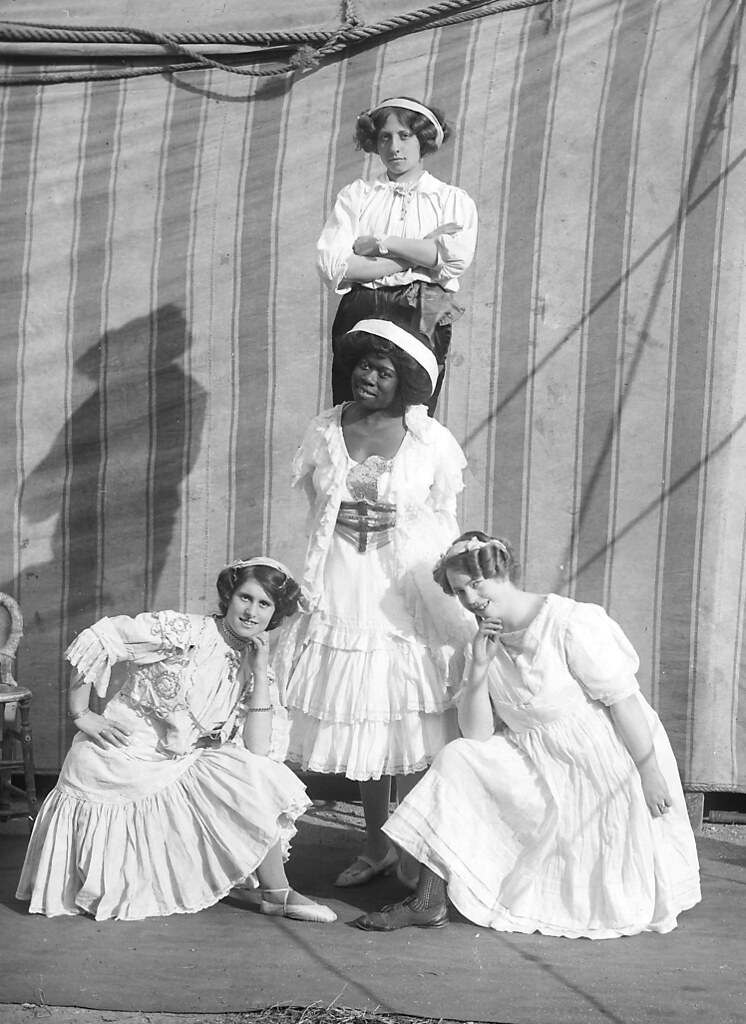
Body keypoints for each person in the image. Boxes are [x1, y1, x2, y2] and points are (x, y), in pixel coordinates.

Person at [355, 531, 702, 937]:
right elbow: (478, 735)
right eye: (459, 592)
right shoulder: (481, 643)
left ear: (501, 572)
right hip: (532, 759)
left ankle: (437, 894)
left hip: (595, 766)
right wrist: (480, 670)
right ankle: (427, 901)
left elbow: (624, 702)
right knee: (458, 757)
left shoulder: (570, 623)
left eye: (475, 584)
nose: (469, 599)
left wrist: (650, 771)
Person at [16, 557, 336, 924]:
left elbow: (259, 748)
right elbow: (100, 638)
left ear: (275, 613)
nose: (251, 612)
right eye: (245, 598)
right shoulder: (182, 631)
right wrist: (81, 713)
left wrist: (260, 671)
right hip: (121, 753)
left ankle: (276, 894)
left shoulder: (254, 659)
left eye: (264, 604)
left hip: (179, 760)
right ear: (229, 595)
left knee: (256, 772)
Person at [274, 318, 474, 890]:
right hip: (341, 579)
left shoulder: (429, 440)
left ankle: (414, 853)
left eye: (384, 371)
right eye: (364, 364)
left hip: (402, 585)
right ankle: (376, 842)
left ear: (404, 382)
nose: (369, 377)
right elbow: (317, 505)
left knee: (406, 717)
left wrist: (408, 539)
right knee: (360, 712)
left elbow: (443, 515)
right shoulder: (326, 428)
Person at [317, 96, 478, 413]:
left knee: (414, 414)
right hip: (364, 305)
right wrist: (418, 253)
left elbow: (455, 258)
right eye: (385, 137)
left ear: (423, 140)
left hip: (425, 307)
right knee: (355, 408)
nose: (394, 147)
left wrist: (380, 244)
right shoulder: (357, 195)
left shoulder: (451, 199)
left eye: (405, 136)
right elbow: (333, 263)